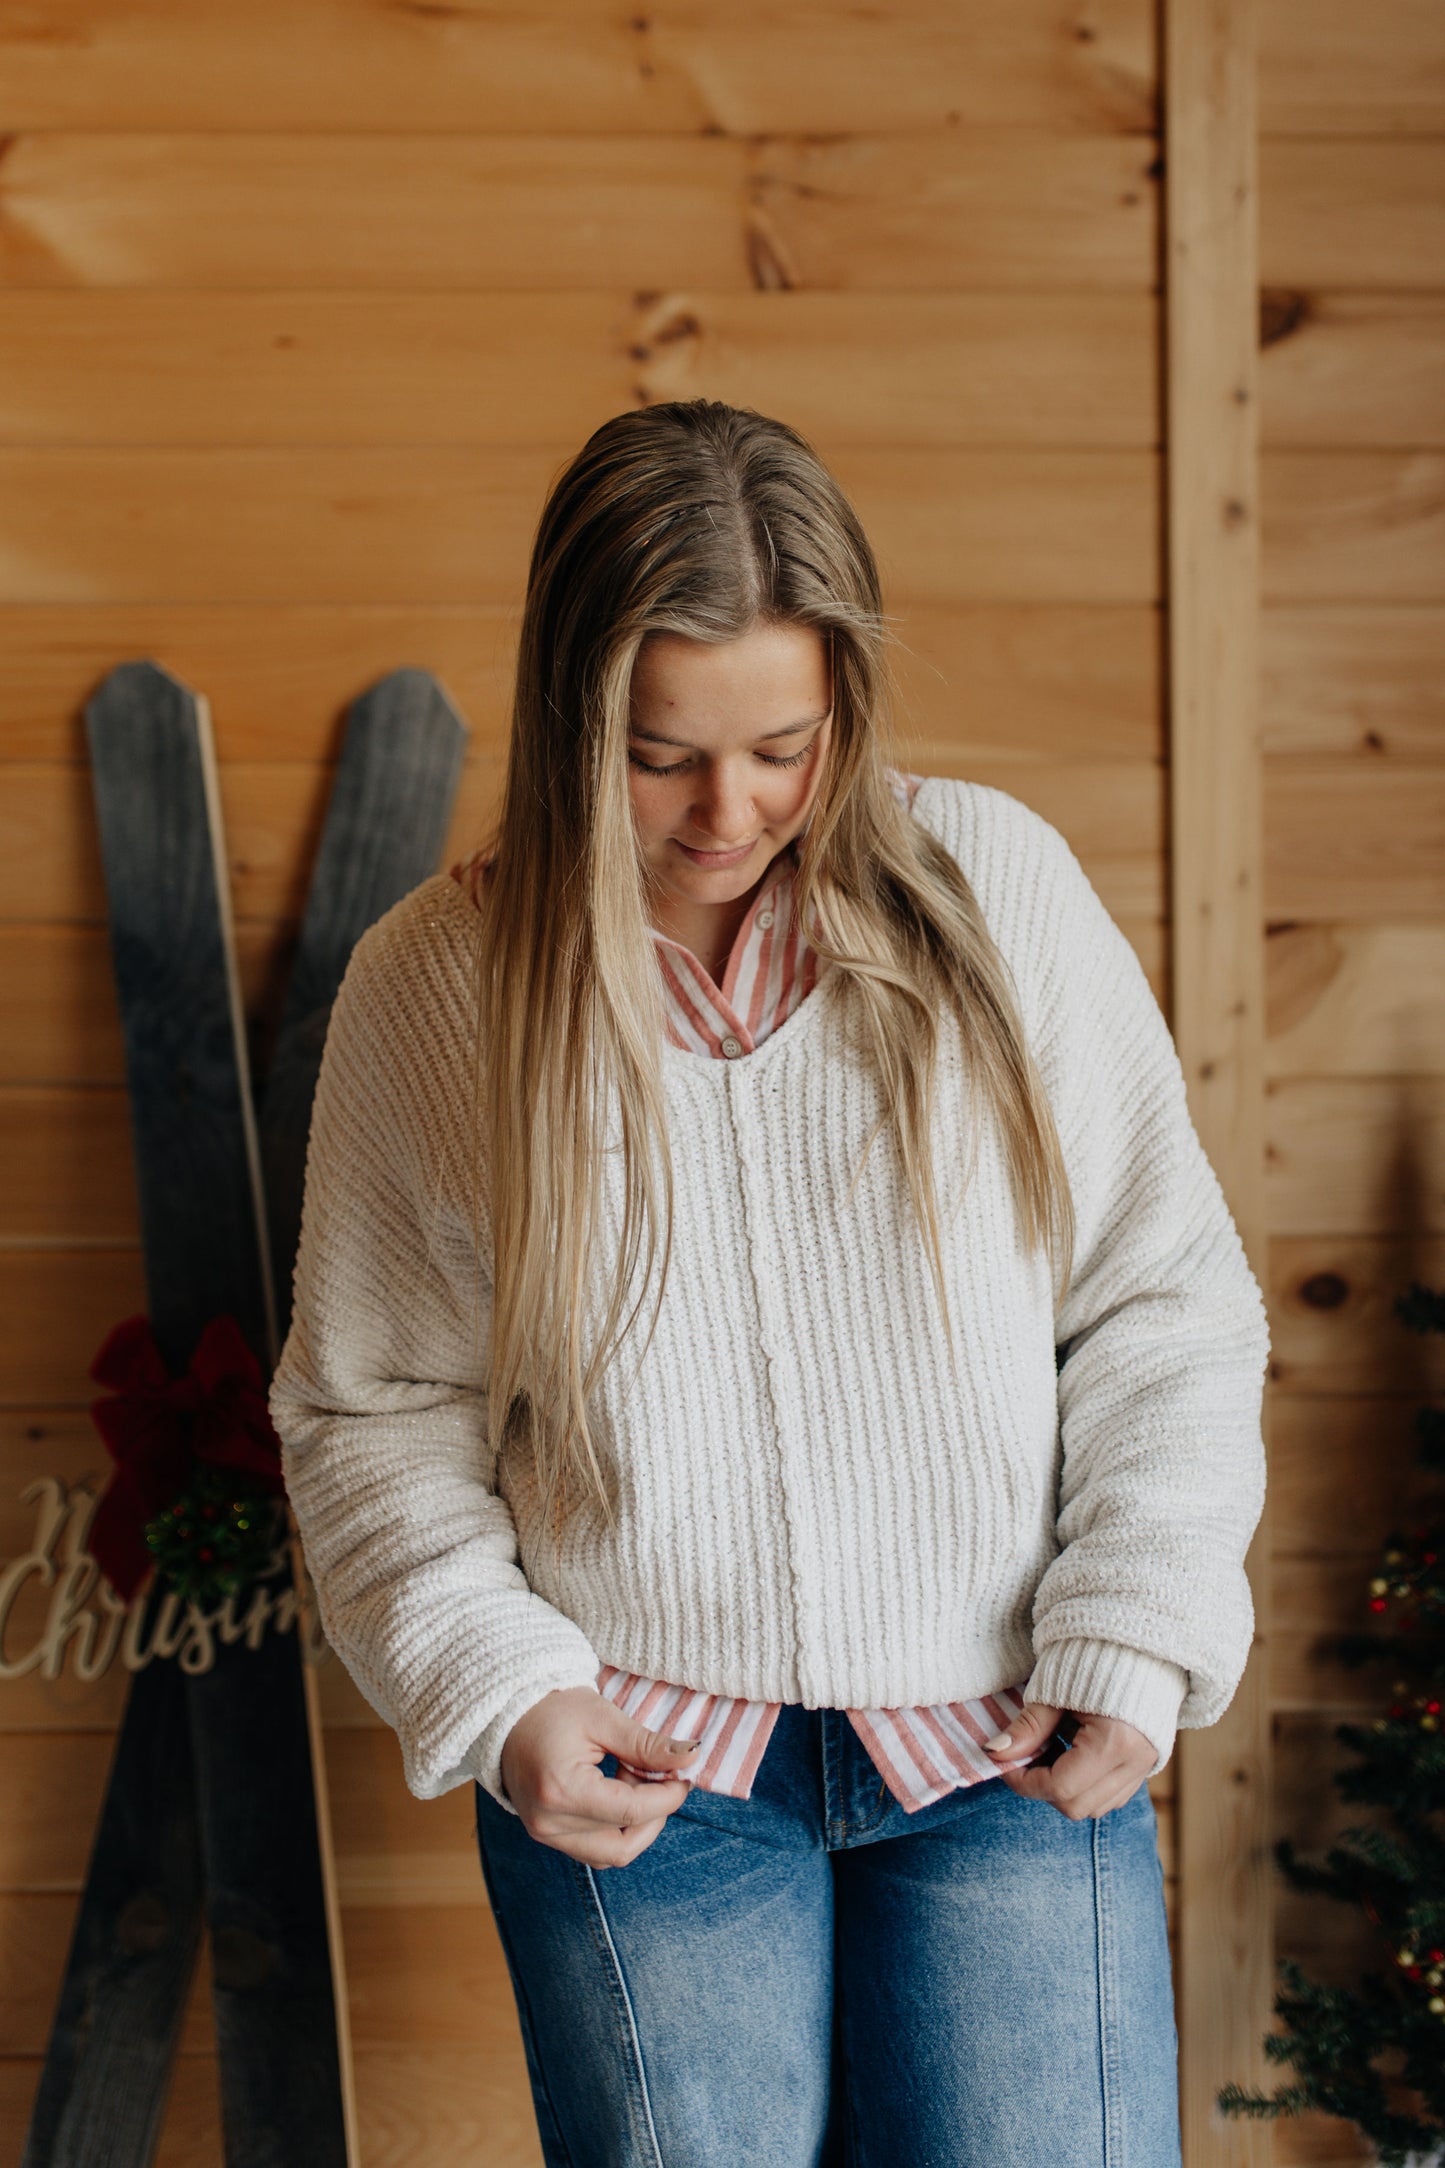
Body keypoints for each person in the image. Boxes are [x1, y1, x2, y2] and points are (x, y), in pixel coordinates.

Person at [269, 399, 1270, 2167]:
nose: (727, 811)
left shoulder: (1001, 896)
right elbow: (371, 1411)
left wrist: (1137, 1617)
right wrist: (501, 1692)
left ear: (846, 710)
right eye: (659, 756)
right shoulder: (435, 990)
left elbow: (1163, 1298)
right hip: (650, 1788)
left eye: (782, 747)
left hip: (1008, 1747)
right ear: (573, 711)